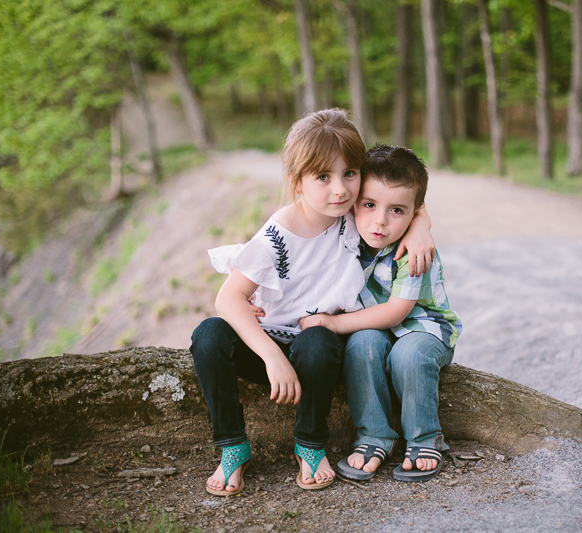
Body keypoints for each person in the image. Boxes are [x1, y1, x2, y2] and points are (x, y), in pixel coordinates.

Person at [190, 111, 434, 495]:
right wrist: (272, 357)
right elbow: (227, 297)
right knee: (207, 335)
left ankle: (309, 443)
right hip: (270, 347)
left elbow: (401, 198)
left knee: (318, 338)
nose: (339, 190)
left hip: (318, 349)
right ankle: (232, 446)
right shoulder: (276, 236)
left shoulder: (354, 214)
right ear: (297, 182)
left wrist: (421, 225)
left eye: (349, 174)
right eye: (323, 177)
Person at [300, 144, 461, 482]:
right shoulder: (343, 229)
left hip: (424, 328)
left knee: (409, 356)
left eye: (398, 211)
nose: (380, 221)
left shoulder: (412, 250)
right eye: (369, 205)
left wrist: (332, 323)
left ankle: (423, 438)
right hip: (371, 328)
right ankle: (374, 436)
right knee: (361, 347)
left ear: (415, 211)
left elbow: (395, 312)